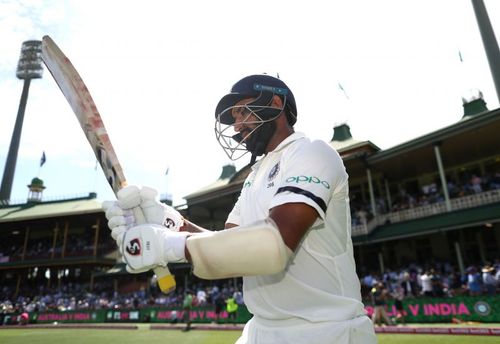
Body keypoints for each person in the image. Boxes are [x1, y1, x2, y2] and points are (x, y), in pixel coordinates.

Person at [102, 74, 376, 343]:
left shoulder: (312, 153)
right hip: (261, 329)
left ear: (276, 104)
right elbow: (233, 245)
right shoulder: (254, 177)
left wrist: (169, 245)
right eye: (234, 118)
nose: (237, 125)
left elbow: (274, 245)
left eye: (243, 111)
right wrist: (169, 222)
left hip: (326, 330)